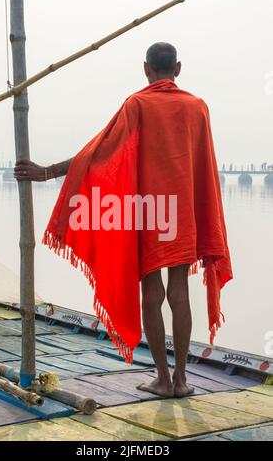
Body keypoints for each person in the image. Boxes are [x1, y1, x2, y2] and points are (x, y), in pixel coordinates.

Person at [15, 43, 232, 398]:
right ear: (177, 68)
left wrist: (48, 172)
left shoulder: (138, 104)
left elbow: (99, 151)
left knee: (152, 291)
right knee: (180, 290)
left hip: (150, 209)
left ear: (146, 69)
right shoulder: (198, 108)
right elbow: (202, 168)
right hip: (184, 211)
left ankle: (162, 378)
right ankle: (181, 380)